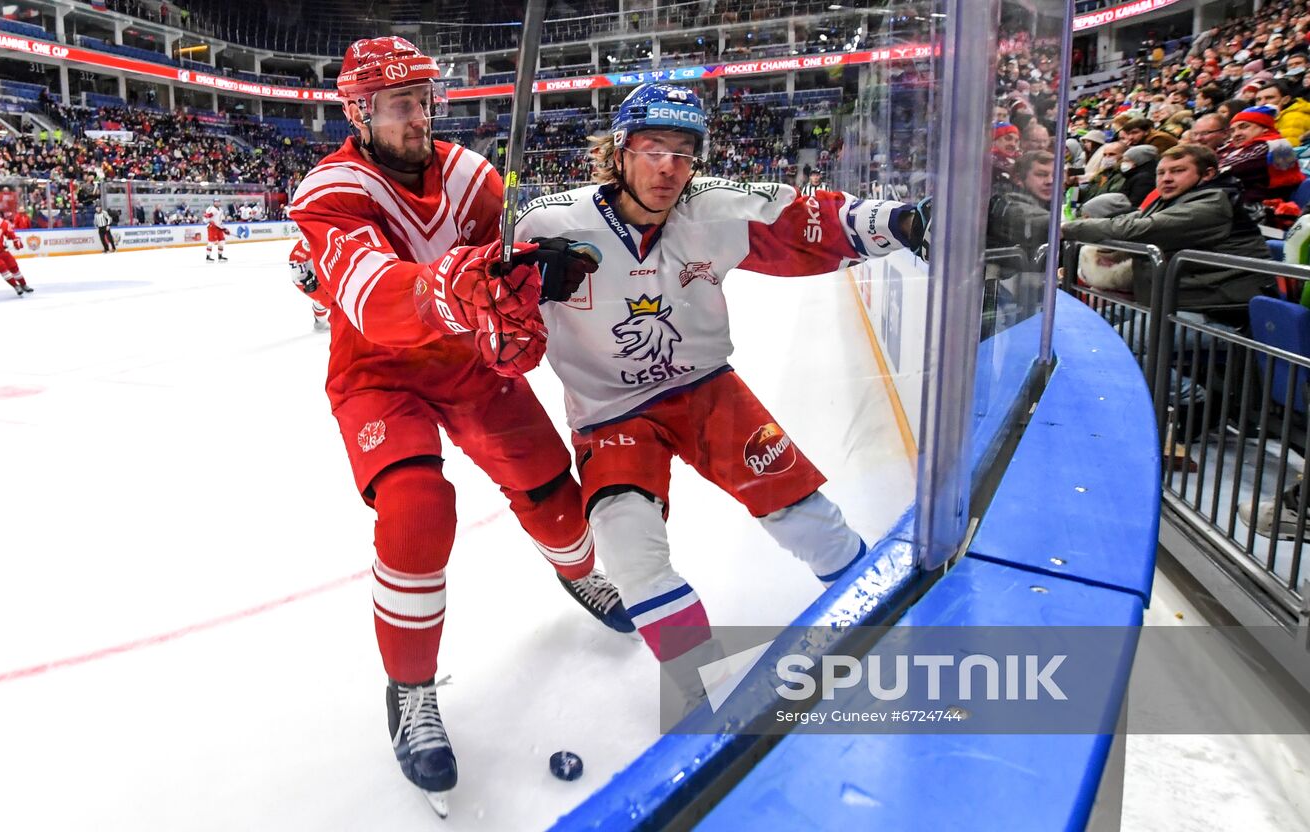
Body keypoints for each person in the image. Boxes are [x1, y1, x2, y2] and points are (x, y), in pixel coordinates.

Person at [285, 36, 630, 812]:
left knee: (554, 495)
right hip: (379, 372)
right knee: (415, 508)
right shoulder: (330, 189)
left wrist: (535, 277)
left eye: (422, 99)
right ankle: (409, 694)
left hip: (466, 362)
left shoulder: (475, 176)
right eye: (400, 103)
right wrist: (471, 285)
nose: (418, 115)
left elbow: (506, 259)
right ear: (359, 112)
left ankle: (580, 576)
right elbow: (374, 299)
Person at [513, 83, 928, 708]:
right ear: (620, 150)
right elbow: (491, 314)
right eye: (653, 147)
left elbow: (809, 224)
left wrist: (902, 220)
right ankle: (708, 696)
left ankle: (887, 627)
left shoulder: (715, 209)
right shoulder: (547, 224)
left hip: (707, 391)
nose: (668, 167)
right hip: (610, 416)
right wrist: (504, 310)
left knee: (804, 517)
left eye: (684, 152)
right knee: (628, 550)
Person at [1062, 144, 1271, 324]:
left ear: (1207, 174)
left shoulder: (1214, 203)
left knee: (1115, 350)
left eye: (1178, 171)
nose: (1167, 179)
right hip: (1172, 302)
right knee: (1075, 325)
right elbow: (1131, 220)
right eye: (1161, 173)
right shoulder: (1171, 199)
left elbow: (1140, 229)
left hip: (1214, 310)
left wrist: (1066, 229)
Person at [287, 236, 330, 331]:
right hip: (305, 277)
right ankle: (321, 323)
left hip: (321, 270)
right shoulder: (304, 247)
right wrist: (306, 280)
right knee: (328, 300)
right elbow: (296, 263)